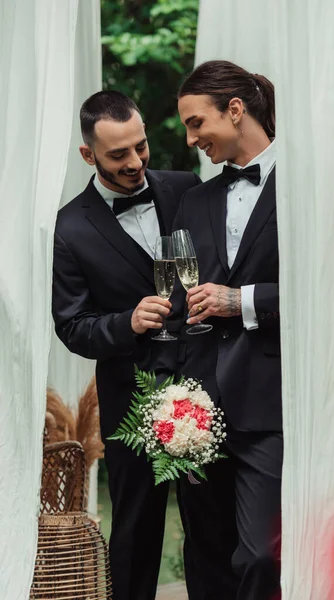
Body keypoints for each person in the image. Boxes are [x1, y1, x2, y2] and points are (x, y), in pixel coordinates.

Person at [52, 90, 201, 600]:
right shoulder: (70, 227)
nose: (136, 162)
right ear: (87, 154)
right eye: (119, 154)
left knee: (212, 525)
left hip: (207, 383)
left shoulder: (187, 189)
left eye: (141, 147)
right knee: (136, 530)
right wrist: (126, 321)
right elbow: (72, 327)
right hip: (129, 397)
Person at [171, 60, 282, 600]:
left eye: (196, 123)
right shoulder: (194, 200)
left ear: (235, 110)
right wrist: (174, 405)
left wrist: (241, 301)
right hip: (199, 411)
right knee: (206, 555)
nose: (192, 139)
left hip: (272, 408)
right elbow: (179, 298)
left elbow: (332, 291)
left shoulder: (307, 190)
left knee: (261, 555)